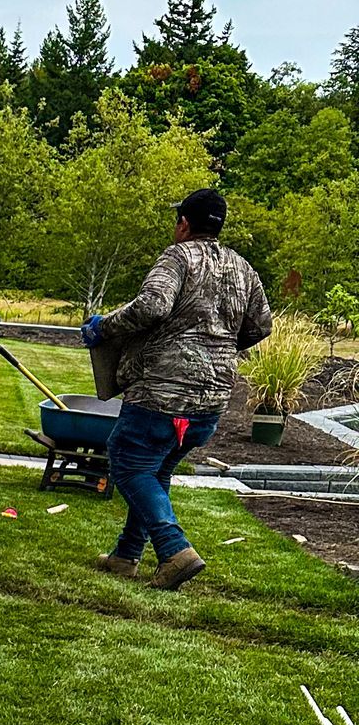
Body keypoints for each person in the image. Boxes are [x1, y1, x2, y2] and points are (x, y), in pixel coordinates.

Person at [81, 186, 271, 590]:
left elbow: (152, 306)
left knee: (128, 461)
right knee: (157, 469)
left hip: (161, 393)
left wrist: (103, 327)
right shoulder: (242, 267)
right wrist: (216, 348)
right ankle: (126, 556)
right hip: (213, 397)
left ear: (184, 223)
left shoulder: (177, 257)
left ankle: (174, 550)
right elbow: (261, 325)